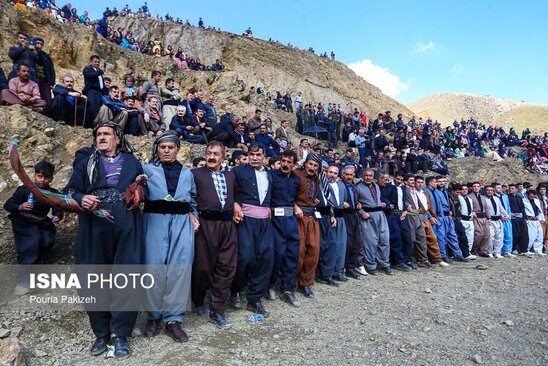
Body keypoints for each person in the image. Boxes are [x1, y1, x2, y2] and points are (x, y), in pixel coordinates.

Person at [64, 121, 144, 359]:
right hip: (94, 222)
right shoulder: (85, 163)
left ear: (117, 138)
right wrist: (82, 198)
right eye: (98, 134)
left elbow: (141, 185)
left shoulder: (131, 161)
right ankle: (101, 333)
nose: (101, 137)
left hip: (126, 220)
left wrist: (139, 193)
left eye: (106, 133)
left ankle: (120, 334)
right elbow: (69, 191)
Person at [142, 133, 198, 342]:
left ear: (177, 149)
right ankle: (153, 316)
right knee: (153, 267)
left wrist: (195, 217)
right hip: (154, 221)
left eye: (170, 147)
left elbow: (192, 200)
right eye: (162, 147)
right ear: (157, 149)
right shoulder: (147, 170)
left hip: (182, 222)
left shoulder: (187, 173)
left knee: (180, 268)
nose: (166, 150)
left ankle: (173, 320)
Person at [191, 142, 238, 328]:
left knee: (227, 267)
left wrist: (237, 204)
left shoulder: (231, 176)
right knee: (203, 267)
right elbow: (187, 197)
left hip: (227, 226)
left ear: (224, 156)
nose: (211, 157)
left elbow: (237, 195)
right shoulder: (195, 174)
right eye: (209, 153)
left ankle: (217, 310)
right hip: (205, 224)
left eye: (216, 154)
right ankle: (198, 298)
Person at [231, 143, 274, 317]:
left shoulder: (269, 175)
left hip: (265, 222)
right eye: (252, 154)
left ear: (264, 156)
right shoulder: (238, 171)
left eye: (258, 155)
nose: (254, 158)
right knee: (245, 257)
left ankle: (254, 298)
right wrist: (235, 203)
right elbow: (230, 191)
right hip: (246, 220)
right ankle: (235, 290)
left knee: (266, 258)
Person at [4, 162, 63, 271]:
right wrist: (20, 206)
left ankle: (32, 256)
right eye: (39, 176)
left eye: (46, 177)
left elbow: (58, 209)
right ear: (34, 176)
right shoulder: (24, 190)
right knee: (32, 241)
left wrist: (57, 216)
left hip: (41, 222)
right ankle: (25, 275)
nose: (42, 180)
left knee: (47, 241)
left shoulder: (53, 194)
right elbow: (8, 204)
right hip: (23, 222)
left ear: (51, 179)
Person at [268, 150, 302, 306]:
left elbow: (293, 199)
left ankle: (288, 289)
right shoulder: (272, 176)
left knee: (292, 254)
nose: (286, 164)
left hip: (290, 219)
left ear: (294, 164)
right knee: (278, 253)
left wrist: (295, 207)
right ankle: (271, 284)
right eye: (284, 161)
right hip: (275, 219)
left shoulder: (296, 179)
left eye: (289, 162)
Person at [294, 153, 322, 298]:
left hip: (312, 217)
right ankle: (292, 281)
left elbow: (309, 194)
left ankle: (305, 283)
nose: (312, 168)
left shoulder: (316, 179)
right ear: (305, 163)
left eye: (315, 166)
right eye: (310, 164)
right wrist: (294, 207)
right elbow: (288, 194)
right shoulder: (296, 175)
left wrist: (314, 199)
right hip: (298, 216)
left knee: (313, 250)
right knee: (299, 250)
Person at [355, 169, 392, 275]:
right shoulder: (357, 188)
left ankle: (385, 264)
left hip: (380, 214)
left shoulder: (376, 186)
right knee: (370, 242)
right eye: (366, 175)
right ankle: (370, 266)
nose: (368, 177)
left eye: (370, 175)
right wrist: (362, 212)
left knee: (384, 240)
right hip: (368, 216)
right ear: (362, 176)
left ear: (373, 176)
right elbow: (355, 203)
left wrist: (380, 204)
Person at [378, 172, 412, 271]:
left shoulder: (402, 188)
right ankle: (391, 261)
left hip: (397, 214)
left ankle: (402, 261)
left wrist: (404, 211)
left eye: (401, 180)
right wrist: (395, 210)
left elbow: (401, 202)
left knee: (401, 237)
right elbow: (389, 202)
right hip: (389, 215)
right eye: (397, 179)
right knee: (389, 239)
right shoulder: (388, 187)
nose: (399, 181)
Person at [402, 174, 431, 268]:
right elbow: (401, 200)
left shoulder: (415, 190)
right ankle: (411, 259)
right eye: (411, 180)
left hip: (417, 215)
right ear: (406, 181)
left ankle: (423, 259)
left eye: (414, 180)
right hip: (409, 215)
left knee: (421, 237)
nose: (413, 182)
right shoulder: (403, 189)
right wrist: (406, 205)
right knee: (412, 238)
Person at [484, 184, 509, 258]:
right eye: (488, 190)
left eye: (491, 190)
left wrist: (506, 215)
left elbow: (501, 208)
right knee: (491, 237)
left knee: (499, 236)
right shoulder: (483, 199)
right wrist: (486, 219)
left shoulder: (496, 199)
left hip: (498, 219)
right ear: (485, 191)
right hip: (490, 220)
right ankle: (489, 251)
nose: (489, 192)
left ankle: (497, 252)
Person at [467, 182, 491, 257]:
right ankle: (474, 249)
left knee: (486, 234)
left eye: (478, 186)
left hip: (484, 217)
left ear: (480, 187)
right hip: (475, 217)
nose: (476, 188)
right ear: (472, 187)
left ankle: (483, 250)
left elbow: (486, 208)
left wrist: (489, 218)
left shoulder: (482, 197)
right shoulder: (469, 197)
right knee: (478, 234)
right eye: (474, 186)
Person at [82, 55, 106, 127]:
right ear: (91, 62)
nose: (97, 63)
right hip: (92, 91)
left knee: (99, 109)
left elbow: (101, 84)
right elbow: (89, 75)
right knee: (92, 108)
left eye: (98, 62)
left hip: (100, 93)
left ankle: (97, 125)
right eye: (95, 62)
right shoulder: (88, 69)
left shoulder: (99, 72)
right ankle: (90, 125)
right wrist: (100, 71)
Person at [507, 184, 529, 255]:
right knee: (515, 234)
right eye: (510, 189)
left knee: (524, 234)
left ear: (516, 189)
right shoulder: (507, 197)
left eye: (512, 189)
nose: (510, 190)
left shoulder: (519, 197)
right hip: (512, 218)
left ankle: (523, 249)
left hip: (521, 218)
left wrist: (525, 218)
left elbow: (522, 208)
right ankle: (513, 249)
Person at [523, 190, 546, 256]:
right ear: (528, 195)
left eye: (534, 195)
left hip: (537, 220)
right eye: (531, 195)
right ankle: (527, 249)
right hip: (530, 220)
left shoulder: (536, 201)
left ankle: (538, 250)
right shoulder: (524, 201)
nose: (532, 197)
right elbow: (523, 210)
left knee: (539, 236)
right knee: (531, 236)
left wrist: (542, 218)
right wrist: (525, 218)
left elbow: (539, 210)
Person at [33, 37, 55, 104]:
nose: (39, 45)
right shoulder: (29, 52)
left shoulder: (46, 56)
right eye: (37, 43)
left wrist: (52, 82)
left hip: (44, 80)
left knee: (47, 99)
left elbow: (51, 70)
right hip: (33, 78)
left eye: (41, 44)